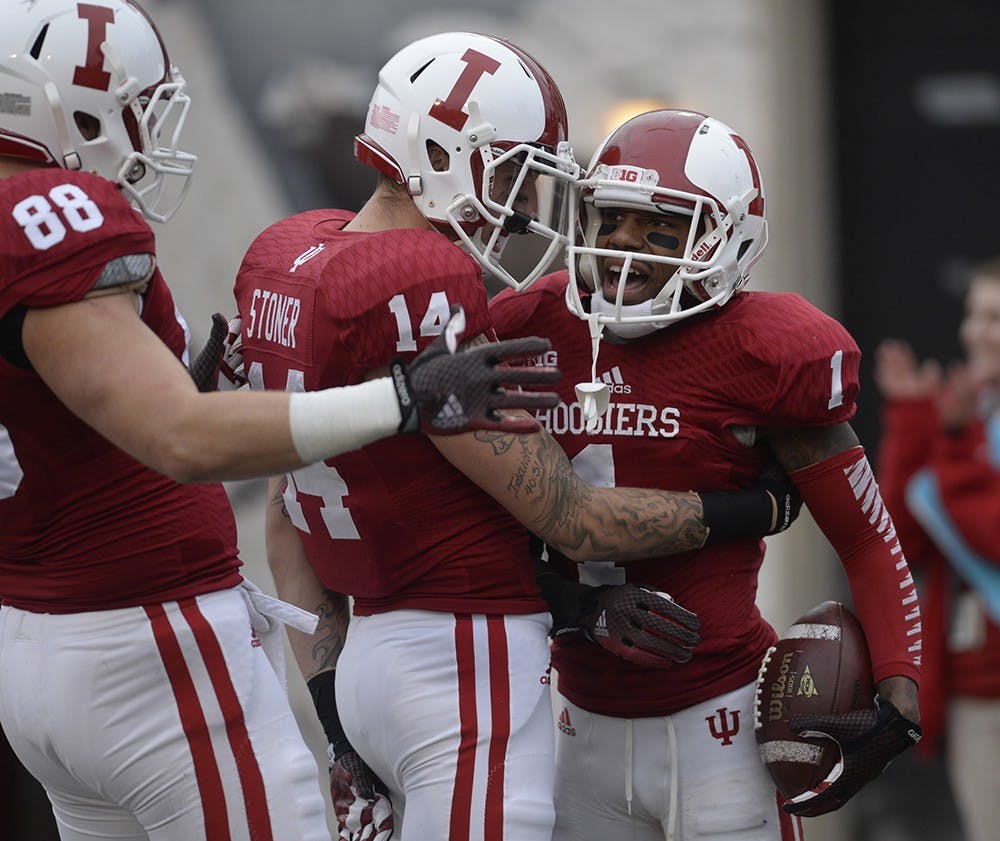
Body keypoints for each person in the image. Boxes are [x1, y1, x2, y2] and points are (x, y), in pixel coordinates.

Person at [0, 4, 569, 839]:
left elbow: (83, 414)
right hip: (144, 640)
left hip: (32, 638)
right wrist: (405, 396)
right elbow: (183, 437)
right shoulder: (51, 219)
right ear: (57, 104)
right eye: (131, 108)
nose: (147, 134)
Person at [234, 35, 799, 841]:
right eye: (509, 174)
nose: (522, 207)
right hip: (458, 663)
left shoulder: (286, 258)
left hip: (362, 663)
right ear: (438, 152)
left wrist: (335, 722)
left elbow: (288, 518)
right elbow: (573, 516)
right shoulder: (420, 283)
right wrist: (757, 506)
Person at [488, 108, 924, 841]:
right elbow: (474, 534)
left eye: (658, 227)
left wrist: (898, 699)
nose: (623, 247)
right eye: (610, 220)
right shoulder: (527, 325)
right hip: (572, 723)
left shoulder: (765, 350)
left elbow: (866, 538)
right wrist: (572, 601)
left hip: (717, 724)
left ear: (726, 240)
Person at [874, 256, 1000, 841]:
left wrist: (950, 446)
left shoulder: (964, 428)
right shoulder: (965, 416)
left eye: (995, 317)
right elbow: (902, 542)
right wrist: (910, 422)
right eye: (974, 314)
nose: (976, 332)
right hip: (976, 689)